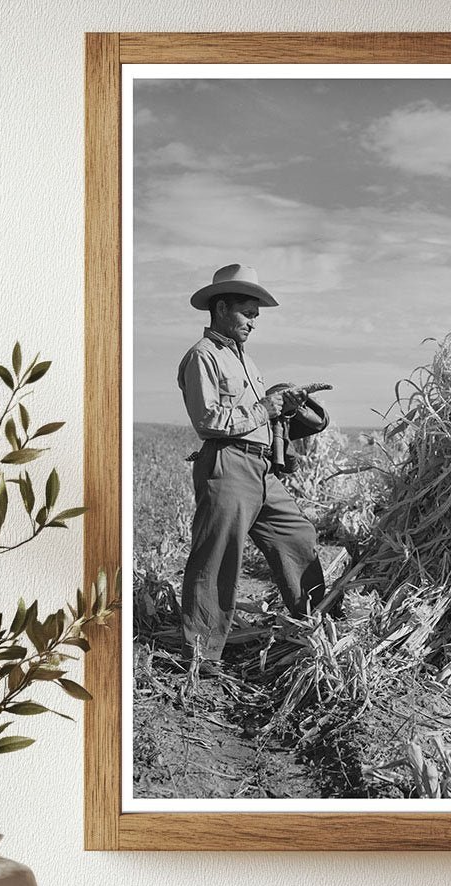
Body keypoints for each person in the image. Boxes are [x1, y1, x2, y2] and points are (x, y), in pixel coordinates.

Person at [177, 264, 327, 660]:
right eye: (247, 313)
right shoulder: (202, 357)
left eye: (256, 316)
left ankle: (320, 626)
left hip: (260, 470)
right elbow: (208, 421)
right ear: (221, 308)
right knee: (218, 559)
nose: (253, 322)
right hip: (227, 465)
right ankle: (201, 657)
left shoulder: (247, 361)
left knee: (298, 536)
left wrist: (285, 409)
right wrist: (267, 406)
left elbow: (260, 414)